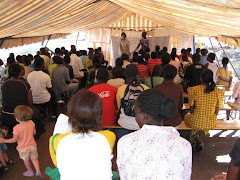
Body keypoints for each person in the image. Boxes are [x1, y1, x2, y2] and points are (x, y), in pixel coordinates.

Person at [117, 89, 192, 180]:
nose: (135, 117)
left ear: (145, 117)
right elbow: (185, 177)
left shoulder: (125, 142)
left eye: (136, 113)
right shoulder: (184, 145)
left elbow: (124, 176)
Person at [49, 89, 116, 180]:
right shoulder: (109, 136)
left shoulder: (56, 140)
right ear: (99, 115)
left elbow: (58, 165)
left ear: (70, 114)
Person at [184, 69, 225, 151]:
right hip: (210, 122)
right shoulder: (218, 92)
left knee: (187, 117)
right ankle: (198, 139)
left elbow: (191, 110)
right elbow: (216, 111)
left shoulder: (194, 90)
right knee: (204, 124)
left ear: (200, 78)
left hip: (195, 121)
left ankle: (195, 140)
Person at [0, 105, 42, 178]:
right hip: (32, 145)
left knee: (26, 160)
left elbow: (14, 140)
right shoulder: (31, 123)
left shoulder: (16, 128)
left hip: (23, 148)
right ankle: (38, 171)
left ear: (17, 118)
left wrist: (4, 140)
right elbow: (34, 133)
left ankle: (30, 172)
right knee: (34, 159)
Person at [1, 64, 33, 133]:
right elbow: (30, 102)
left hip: (6, 114)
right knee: (36, 115)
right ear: (20, 73)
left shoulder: (4, 84)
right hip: (21, 115)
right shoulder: (25, 85)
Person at [117, 64, 149, 130]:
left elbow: (119, 106)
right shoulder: (146, 89)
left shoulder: (121, 89)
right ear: (138, 74)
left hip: (124, 124)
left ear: (126, 75)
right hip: (142, 124)